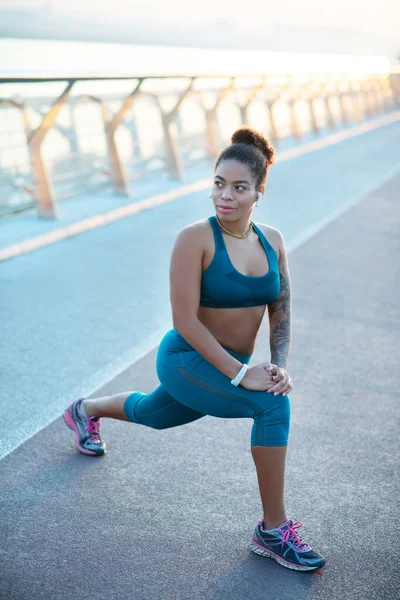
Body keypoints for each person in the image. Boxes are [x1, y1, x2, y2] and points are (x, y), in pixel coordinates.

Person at [63, 126, 326, 572]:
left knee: (152, 414)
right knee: (272, 409)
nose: (226, 195)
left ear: (259, 192)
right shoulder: (195, 239)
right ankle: (273, 530)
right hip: (187, 359)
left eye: (239, 187)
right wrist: (244, 376)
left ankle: (84, 409)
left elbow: (281, 312)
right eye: (219, 184)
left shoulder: (273, 241)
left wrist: (277, 367)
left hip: (227, 366)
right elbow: (184, 320)